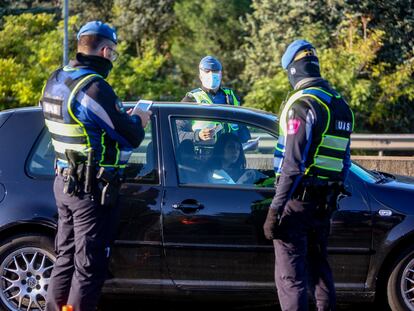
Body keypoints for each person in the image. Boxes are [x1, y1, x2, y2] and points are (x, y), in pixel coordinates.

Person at [40, 21, 151, 311]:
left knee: (65, 256)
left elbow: (85, 123)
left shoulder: (55, 79)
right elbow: (131, 136)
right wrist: (138, 117)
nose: (112, 60)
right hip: (89, 189)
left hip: (63, 181)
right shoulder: (92, 88)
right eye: (112, 54)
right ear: (105, 50)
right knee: (89, 264)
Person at [263, 39, 354, 311]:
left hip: (297, 202)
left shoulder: (303, 104)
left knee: (291, 278)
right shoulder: (340, 105)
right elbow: (345, 162)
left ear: (292, 70)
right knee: (320, 272)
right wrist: (332, 196)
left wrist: (274, 210)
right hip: (323, 202)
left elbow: (292, 165)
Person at [178, 56, 250, 143]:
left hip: (230, 153)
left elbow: (242, 128)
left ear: (221, 75)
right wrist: (198, 135)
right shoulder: (191, 99)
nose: (211, 74)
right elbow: (176, 133)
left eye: (215, 71)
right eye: (207, 71)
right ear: (201, 76)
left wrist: (247, 142)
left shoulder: (231, 96)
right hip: (203, 154)